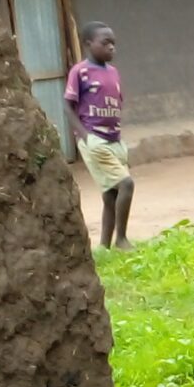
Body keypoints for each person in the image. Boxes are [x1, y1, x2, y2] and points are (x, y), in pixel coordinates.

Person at [65, 24, 133, 250]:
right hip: (95, 139)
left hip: (114, 140)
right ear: (88, 44)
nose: (111, 47)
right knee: (126, 184)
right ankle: (121, 239)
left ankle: (104, 245)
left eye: (113, 43)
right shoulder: (80, 72)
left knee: (110, 195)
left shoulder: (113, 72)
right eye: (105, 43)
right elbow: (68, 105)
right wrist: (84, 135)